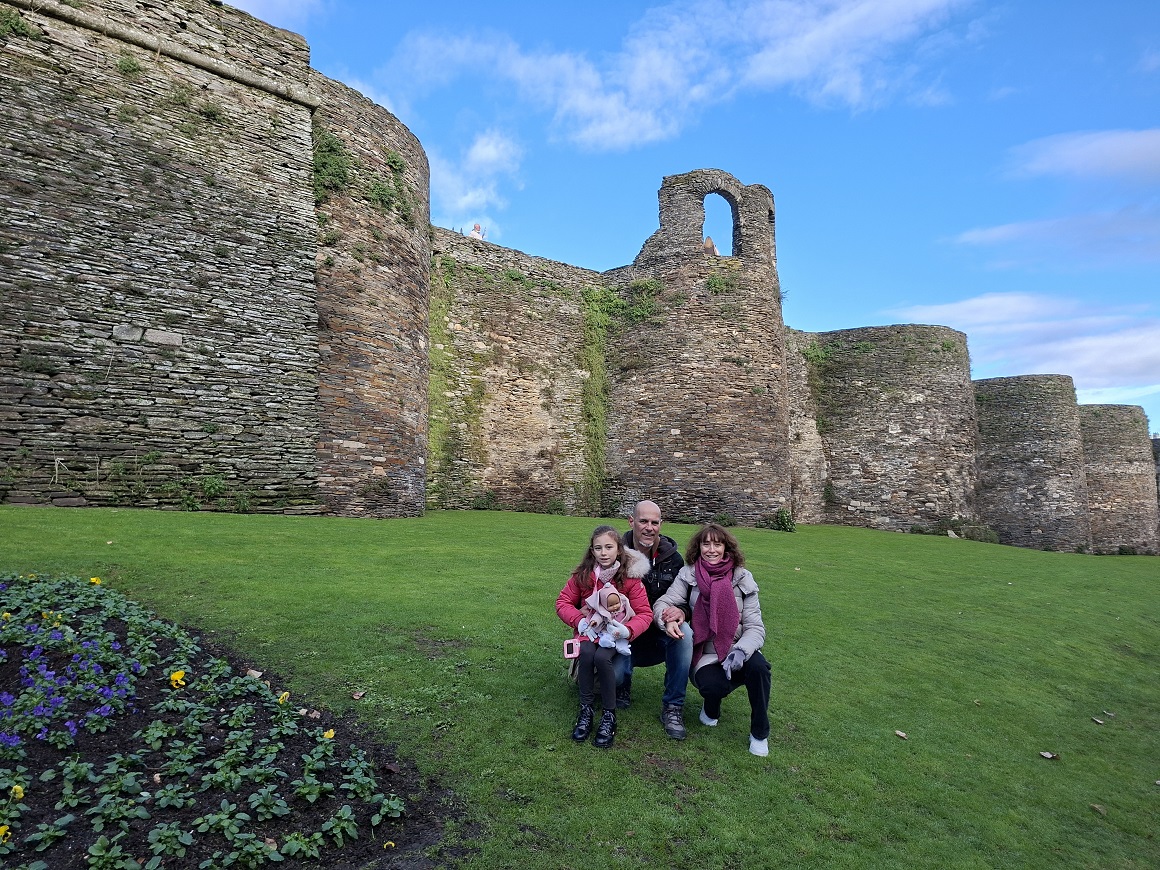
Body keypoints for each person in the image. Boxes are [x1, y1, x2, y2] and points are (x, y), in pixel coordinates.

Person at [652, 523, 772, 756]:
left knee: (759, 669)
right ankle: (711, 707)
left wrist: (741, 651)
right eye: (706, 544)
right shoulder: (688, 574)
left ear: (727, 548)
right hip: (705, 651)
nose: (711, 549)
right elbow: (663, 604)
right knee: (711, 685)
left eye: (717, 544)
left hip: (737, 646)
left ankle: (759, 733)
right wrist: (666, 619)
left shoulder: (742, 577)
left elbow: (755, 627)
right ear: (698, 547)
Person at [556, 526, 652, 749]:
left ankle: (609, 715)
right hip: (589, 630)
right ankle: (586, 710)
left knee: (602, 658)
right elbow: (562, 603)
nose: (603, 553)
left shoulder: (630, 578)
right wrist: (579, 622)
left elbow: (645, 613)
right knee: (588, 654)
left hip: (614, 634)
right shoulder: (583, 576)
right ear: (592, 551)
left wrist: (626, 630)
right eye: (598, 548)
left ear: (619, 550)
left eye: (609, 547)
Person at [621, 500, 692, 740]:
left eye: (654, 522)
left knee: (686, 635)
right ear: (632, 522)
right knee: (615, 676)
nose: (649, 527)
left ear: (661, 524)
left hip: (660, 632)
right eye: (643, 521)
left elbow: (686, 599)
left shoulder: (674, 560)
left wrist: (682, 612)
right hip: (625, 635)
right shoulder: (614, 553)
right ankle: (621, 684)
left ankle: (673, 707)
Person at [579, 587, 634, 656]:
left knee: (623, 640)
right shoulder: (603, 611)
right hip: (609, 630)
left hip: (622, 630)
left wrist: (629, 628)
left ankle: (623, 648)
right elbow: (598, 616)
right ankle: (605, 642)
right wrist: (594, 621)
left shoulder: (624, 607)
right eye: (611, 605)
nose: (615, 607)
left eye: (617, 603)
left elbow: (632, 614)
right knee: (606, 636)